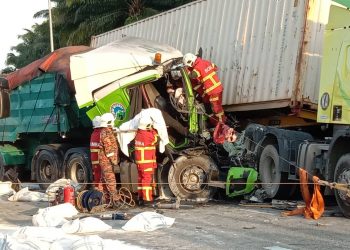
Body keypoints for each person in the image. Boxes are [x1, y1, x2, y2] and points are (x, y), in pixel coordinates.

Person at [183, 53, 226, 125]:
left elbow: (192, 76)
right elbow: (215, 67)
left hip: (212, 91)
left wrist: (186, 70)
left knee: (217, 109)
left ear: (190, 61)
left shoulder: (197, 68)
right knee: (217, 106)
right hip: (218, 88)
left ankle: (221, 125)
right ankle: (219, 122)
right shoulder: (205, 62)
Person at [90, 113, 119, 205]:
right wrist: (114, 161)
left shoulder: (98, 133)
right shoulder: (106, 132)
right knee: (110, 180)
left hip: (101, 161)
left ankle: (106, 200)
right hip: (106, 161)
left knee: (103, 180)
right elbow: (109, 149)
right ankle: (115, 200)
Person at [134, 115, 159, 206]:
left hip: (140, 162)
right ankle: (147, 199)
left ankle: (140, 197)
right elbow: (156, 138)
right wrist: (153, 129)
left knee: (141, 179)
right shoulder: (147, 135)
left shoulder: (139, 134)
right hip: (147, 162)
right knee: (146, 180)